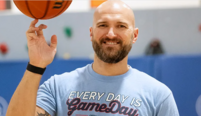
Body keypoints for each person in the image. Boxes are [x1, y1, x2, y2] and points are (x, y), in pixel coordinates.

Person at [6, 0, 179, 116]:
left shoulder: (158, 95)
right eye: (103, 25)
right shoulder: (57, 87)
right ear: (91, 33)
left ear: (134, 35)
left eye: (121, 26)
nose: (111, 33)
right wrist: (36, 65)